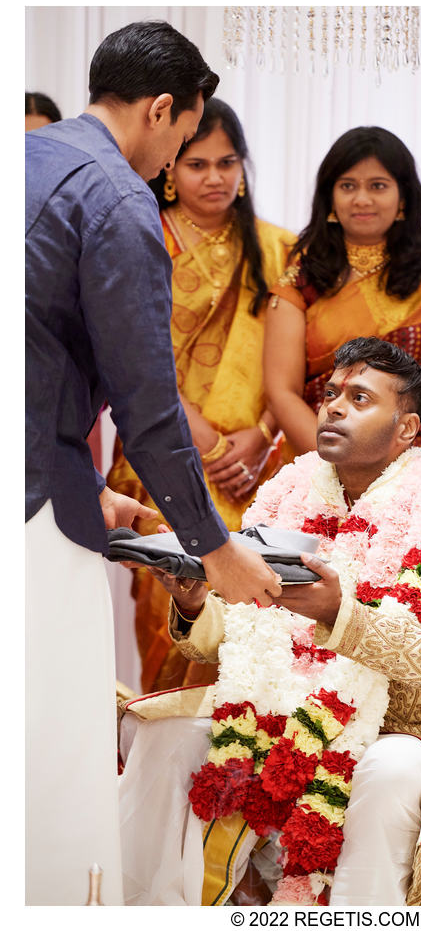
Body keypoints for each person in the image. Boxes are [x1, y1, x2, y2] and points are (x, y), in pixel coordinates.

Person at [26, 21, 281, 906]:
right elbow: (146, 402)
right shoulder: (118, 198)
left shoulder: (29, 160)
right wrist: (217, 550)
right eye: (181, 141)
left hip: (42, 481)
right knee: (54, 733)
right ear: (163, 110)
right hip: (32, 505)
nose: (178, 164)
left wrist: (86, 488)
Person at [118, 338, 421, 906]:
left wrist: (337, 613)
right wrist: (197, 601)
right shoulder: (281, 508)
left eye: (360, 398)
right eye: (330, 394)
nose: (334, 408)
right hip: (279, 709)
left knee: (387, 774)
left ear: (407, 429)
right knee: (164, 735)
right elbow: (242, 636)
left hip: (413, 728)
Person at [107, 98, 294, 693]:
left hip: (254, 472)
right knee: (171, 619)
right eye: (198, 164)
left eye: (227, 162)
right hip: (162, 462)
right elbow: (128, 357)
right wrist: (205, 443)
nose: (215, 177)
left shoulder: (279, 250)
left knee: (254, 635)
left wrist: (263, 436)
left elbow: (293, 363)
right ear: (170, 168)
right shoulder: (142, 237)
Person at [264, 126, 421, 508]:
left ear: (403, 198)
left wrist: (391, 478)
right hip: (317, 473)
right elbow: (282, 391)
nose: (362, 199)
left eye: (378, 186)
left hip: (416, 482)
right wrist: (335, 469)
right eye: (348, 186)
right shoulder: (300, 279)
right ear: (330, 197)